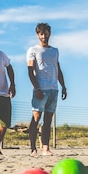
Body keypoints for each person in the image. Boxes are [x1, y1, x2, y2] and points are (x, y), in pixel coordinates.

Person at [26, 22, 67, 156]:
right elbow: (30, 71)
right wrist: (36, 87)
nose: (44, 36)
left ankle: (45, 147)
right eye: (41, 33)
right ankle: (33, 148)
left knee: (48, 121)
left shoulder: (55, 51)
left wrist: (63, 86)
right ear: (38, 35)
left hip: (53, 89)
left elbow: (58, 69)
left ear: (49, 33)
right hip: (41, 88)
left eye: (46, 33)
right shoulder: (33, 50)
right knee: (36, 118)